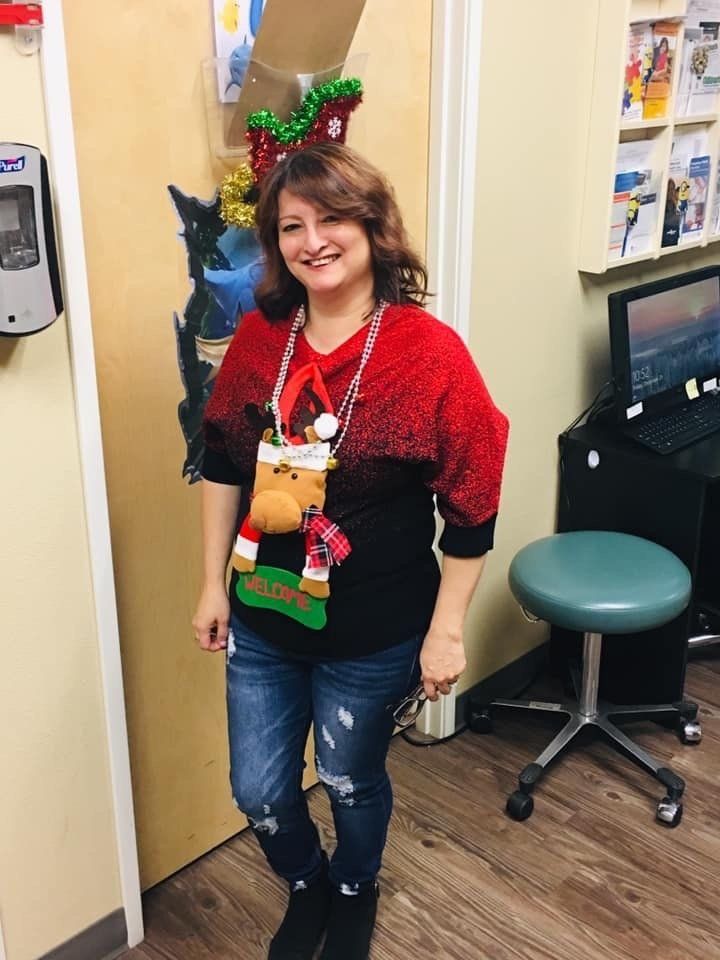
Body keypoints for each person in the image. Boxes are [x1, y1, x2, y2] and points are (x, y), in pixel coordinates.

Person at [193, 141, 509, 960]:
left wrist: (447, 631)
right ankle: (305, 882)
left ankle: (353, 886)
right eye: (291, 225)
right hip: (264, 612)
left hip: (376, 628)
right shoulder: (262, 341)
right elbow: (224, 458)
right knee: (258, 790)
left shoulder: (428, 354)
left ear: (372, 228)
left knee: (348, 778)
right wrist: (210, 585)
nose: (312, 240)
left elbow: (472, 507)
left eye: (332, 217)